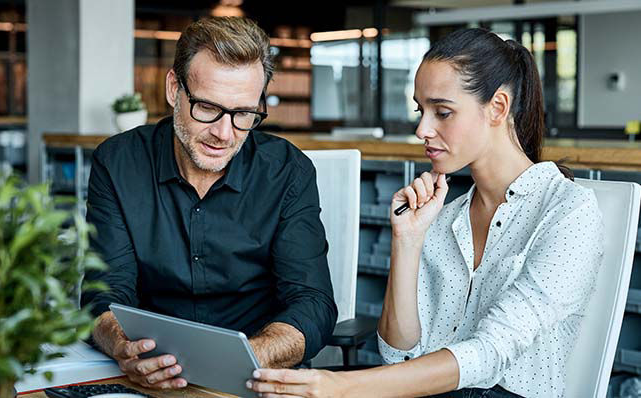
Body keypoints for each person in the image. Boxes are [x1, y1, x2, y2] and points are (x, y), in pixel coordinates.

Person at [247, 28, 603, 398]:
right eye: (421, 110)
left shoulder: (568, 212)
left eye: (442, 112)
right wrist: (408, 240)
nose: (422, 129)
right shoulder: (445, 218)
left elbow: (490, 353)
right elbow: (397, 354)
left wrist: (341, 385)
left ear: (498, 107)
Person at [81, 16, 337, 390]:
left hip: (256, 377)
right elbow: (104, 293)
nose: (223, 133)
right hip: (149, 376)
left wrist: (247, 357)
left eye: (244, 114)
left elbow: (312, 303)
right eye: (206, 108)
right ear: (174, 89)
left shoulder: (288, 172)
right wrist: (124, 346)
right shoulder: (118, 163)